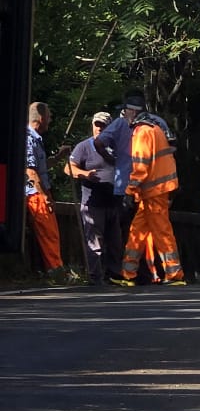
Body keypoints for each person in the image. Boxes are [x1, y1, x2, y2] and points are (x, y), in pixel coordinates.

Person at [119, 103, 185, 286]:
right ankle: (128, 274)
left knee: (161, 231)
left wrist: (129, 191)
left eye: (125, 112)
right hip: (154, 191)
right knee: (137, 231)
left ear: (132, 112)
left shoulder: (142, 132)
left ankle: (174, 274)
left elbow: (141, 166)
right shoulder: (154, 128)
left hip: (154, 191)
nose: (124, 116)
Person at [66, 110, 123, 285]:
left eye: (103, 126)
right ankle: (95, 278)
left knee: (115, 243)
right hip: (93, 202)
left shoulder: (118, 147)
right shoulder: (84, 146)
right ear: (92, 126)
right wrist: (85, 174)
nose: (99, 128)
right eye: (96, 125)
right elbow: (69, 168)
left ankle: (114, 275)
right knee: (94, 243)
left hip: (114, 202)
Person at [24, 102, 66, 279]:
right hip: (34, 194)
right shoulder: (28, 138)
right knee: (49, 234)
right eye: (49, 116)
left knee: (52, 233)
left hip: (41, 192)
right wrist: (43, 195)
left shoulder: (37, 140)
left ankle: (56, 268)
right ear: (41, 118)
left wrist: (58, 158)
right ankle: (56, 271)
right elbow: (31, 171)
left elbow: (41, 167)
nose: (50, 119)